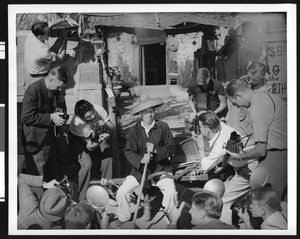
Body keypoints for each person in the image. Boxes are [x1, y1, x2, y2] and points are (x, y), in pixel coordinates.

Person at [222, 78, 287, 224]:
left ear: (238, 95)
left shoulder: (257, 108)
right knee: (282, 205)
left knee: (266, 209)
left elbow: (260, 150)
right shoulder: (270, 97)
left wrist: (240, 157)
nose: (237, 107)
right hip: (286, 155)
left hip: (274, 158)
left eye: (235, 103)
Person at [114, 95, 177, 227]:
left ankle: (171, 218)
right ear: (140, 114)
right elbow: (128, 151)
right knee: (122, 192)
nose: (149, 114)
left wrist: (155, 151)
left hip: (161, 169)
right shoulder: (135, 130)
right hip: (140, 171)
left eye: (151, 111)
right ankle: (124, 217)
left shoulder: (163, 127)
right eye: (146, 111)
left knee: (171, 192)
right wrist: (141, 160)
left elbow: (171, 148)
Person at [21, 66, 67, 180]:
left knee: (52, 176)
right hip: (35, 141)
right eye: (58, 86)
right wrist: (51, 117)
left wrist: (60, 115)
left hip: (49, 139)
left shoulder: (54, 90)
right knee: (38, 178)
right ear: (51, 79)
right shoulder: (33, 90)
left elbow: (55, 108)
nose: (59, 90)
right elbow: (26, 117)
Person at [68, 99, 114, 202]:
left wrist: (105, 126)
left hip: (96, 136)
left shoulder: (98, 109)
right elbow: (89, 146)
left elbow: (112, 128)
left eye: (92, 113)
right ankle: (83, 199)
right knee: (87, 164)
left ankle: (107, 193)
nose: (93, 117)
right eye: (88, 117)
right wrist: (102, 139)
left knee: (108, 159)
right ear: (82, 118)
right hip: (79, 141)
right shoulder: (78, 122)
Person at [24, 20, 68, 90]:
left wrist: (64, 19)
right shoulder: (43, 51)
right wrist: (66, 39)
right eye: (48, 33)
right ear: (41, 36)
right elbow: (60, 58)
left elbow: (50, 24)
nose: (50, 34)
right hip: (39, 79)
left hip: (31, 74)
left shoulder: (32, 34)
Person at [167, 191, 235, 229]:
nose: (190, 211)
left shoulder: (197, 231)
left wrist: (173, 222)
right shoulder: (232, 229)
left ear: (202, 214)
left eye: (192, 209)